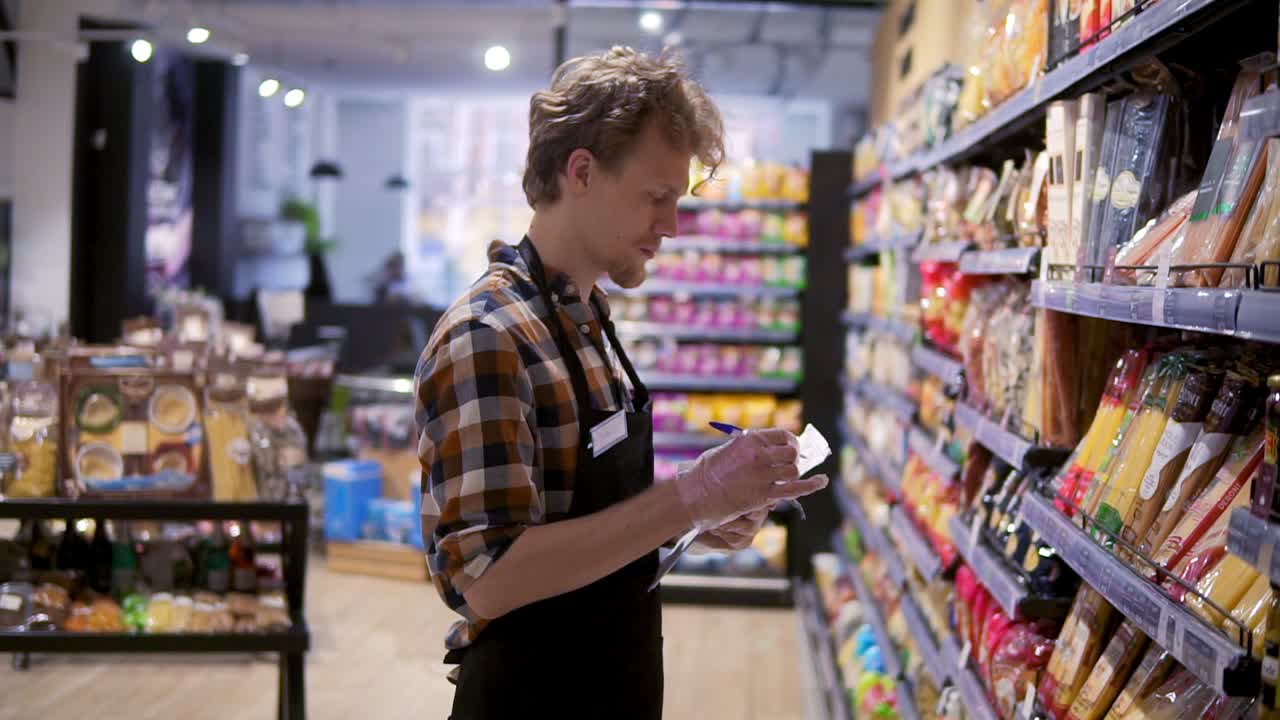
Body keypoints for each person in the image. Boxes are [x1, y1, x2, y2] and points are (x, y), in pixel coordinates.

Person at [414, 46, 829, 719]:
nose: (671, 226)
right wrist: (689, 497)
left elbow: (577, 518)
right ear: (581, 172)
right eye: (656, 197)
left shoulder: (587, 317)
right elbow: (486, 577)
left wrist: (696, 517)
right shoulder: (488, 336)